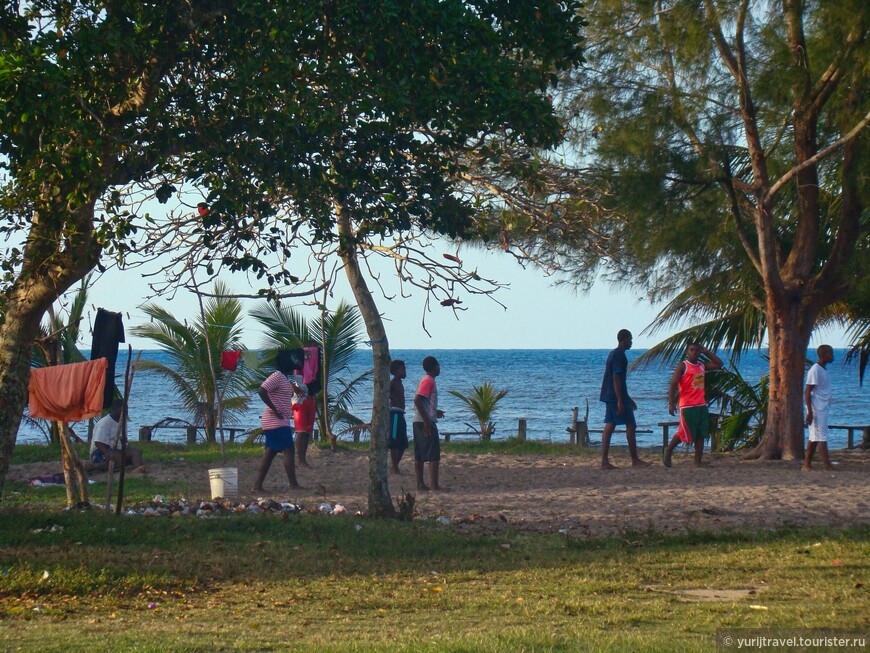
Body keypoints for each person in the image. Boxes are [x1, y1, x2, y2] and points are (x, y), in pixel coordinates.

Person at [663, 343, 723, 467]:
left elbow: (719, 364)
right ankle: (668, 449)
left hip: (701, 404)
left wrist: (706, 352)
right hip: (687, 406)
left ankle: (697, 461)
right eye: (691, 350)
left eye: (697, 350)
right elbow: (673, 384)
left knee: (701, 434)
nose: (694, 352)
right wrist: (671, 403)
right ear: (687, 351)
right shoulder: (683, 366)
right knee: (684, 432)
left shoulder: (702, 366)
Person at [598, 329, 650, 469]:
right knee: (630, 424)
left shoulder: (613, 354)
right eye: (630, 339)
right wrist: (621, 400)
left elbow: (619, 380)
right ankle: (634, 459)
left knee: (610, 425)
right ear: (624, 339)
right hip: (615, 397)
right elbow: (616, 378)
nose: (631, 342)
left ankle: (604, 461)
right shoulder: (619, 355)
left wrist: (628, 398)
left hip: (611, 395)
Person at [252, 356, 300, 493]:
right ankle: (293, 484)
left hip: (279, 419)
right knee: (288, 449)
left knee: (271, 453)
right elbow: (262, 390)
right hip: (275, 420)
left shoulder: (283, 378)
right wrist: (274, 409)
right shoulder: (277, 375)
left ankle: (257, 485)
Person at [412, 356, 445, 491]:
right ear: (434, 367)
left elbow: (424, 401)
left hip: (419, 420)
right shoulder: (428, 381)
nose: (439, 368)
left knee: (419, 453)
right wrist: (427, 420)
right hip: (423, 421)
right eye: (438, 365)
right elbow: (418, 400)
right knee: (433, 454)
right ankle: (434, 484)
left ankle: (420, 484)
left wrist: (434, 411)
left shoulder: (426, 380)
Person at [803, 344, 837, 472]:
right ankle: (827, 465)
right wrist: (810, 412)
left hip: (822, 408)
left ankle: (806, 465)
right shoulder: (815, 370)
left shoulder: (823, 370)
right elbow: (807, 392)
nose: (832, 356)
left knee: (814, 437)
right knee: (821, 436)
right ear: (823, 355)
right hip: (816, 409)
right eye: (830, 354)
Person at [89, 399, 144, 471]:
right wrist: (107, 454)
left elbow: (123, 439)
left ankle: (137, 468)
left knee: (136, 452)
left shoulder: (123, 421)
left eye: (127, 410)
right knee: (117, 457)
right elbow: (98, 443)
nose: (126, 412)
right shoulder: (104, 422)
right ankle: (101, 466)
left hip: (117, 449)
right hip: (101, 450)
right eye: (123, 410)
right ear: (115, 410)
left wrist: (125, 445)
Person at [388, 359, 409, 474]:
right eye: (403, 369)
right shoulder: (393, 382)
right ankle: (395, 467)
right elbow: (386, 392)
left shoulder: (399, 382)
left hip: (400, 413)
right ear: (396, 371)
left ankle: (395, 465)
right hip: (395, 413)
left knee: (403, 443)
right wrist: (392, 399)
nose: (405, 371)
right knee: (394, 441)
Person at [291, 383, 316, 469]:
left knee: (307, 431)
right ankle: (300, 460)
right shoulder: (298, 369)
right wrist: (293, 387)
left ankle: (303, 459)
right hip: (300, 399)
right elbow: (286, 377)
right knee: (301, 431)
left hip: (310, 397)